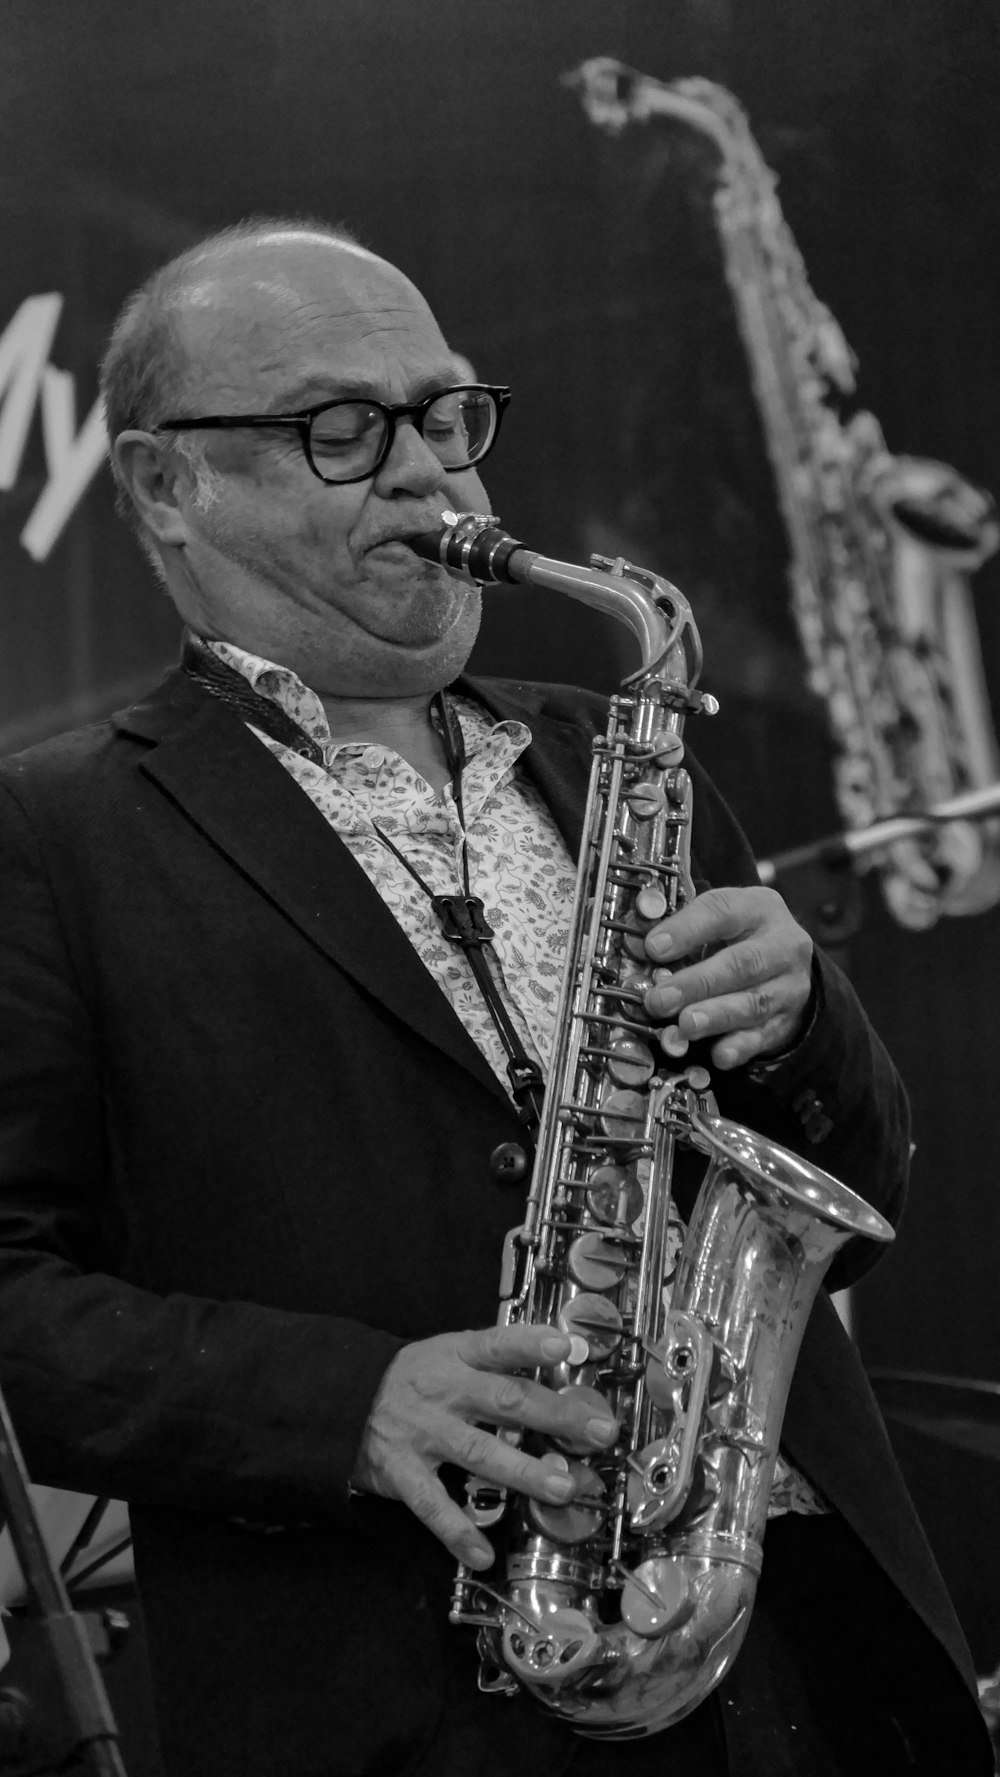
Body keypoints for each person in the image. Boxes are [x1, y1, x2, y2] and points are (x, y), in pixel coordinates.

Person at [0, 218, 990, 1777]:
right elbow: (13, 1297)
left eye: (450, 415)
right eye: (343, 430)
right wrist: (351, 1403)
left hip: (789, 1642)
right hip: (400, 1692)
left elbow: (861, 1179)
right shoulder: (48, 834)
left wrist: (805, 1015)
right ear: (162, 485)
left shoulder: (619, 754)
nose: (435, 478)